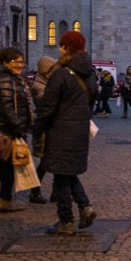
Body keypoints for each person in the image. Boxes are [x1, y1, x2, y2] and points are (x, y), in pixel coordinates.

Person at [33, 31, 99, 235]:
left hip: (60, 131)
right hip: (79, 131)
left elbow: (47, 106)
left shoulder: (61, 74)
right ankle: (85, 207)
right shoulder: (90, 74)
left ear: (67, 49)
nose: (59, 49)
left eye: (61, 46)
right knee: (66, 173)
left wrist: (37, 130)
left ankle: (66, 221)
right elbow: (91, 102)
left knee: (61, 177)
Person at [0, 48, 33, 213]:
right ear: (5, 63)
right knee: (5, 168)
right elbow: (7, 106)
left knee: (7, 168)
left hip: (14, 129)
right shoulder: (5, 79)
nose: (20, 65)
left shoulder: (16, 79)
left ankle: (5, 200)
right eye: (16, 61)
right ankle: (5, 200)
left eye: (21, 61)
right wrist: (17, 126)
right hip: (7, 131)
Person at [28, 55, 59, 204]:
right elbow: (44, 102)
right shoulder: (38, 85)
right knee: (45, 163)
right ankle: (34, 191)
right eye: (53, 69)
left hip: (51, 129)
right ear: (46, 71)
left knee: (53, 162)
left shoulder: (48, 83)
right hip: (44, 130)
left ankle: (55, 192)